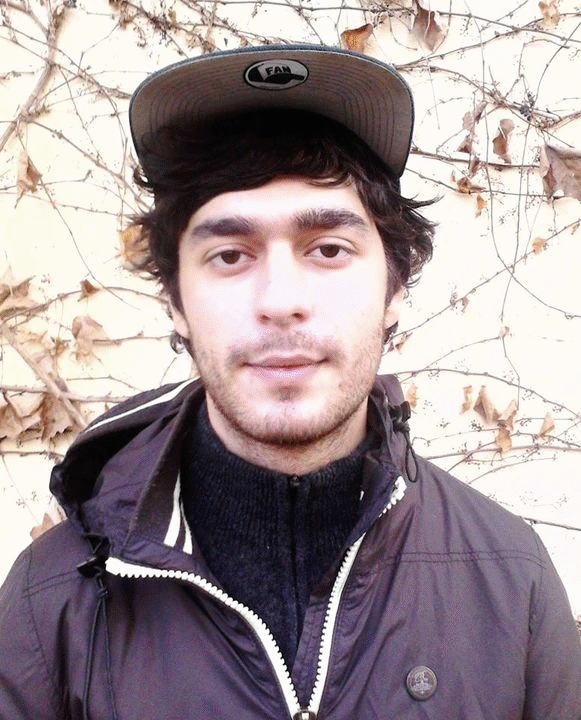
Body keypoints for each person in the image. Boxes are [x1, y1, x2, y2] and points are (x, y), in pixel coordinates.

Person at [0, 44, 579, 720]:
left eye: (328, 249)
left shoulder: (511, 581)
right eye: (229, 255)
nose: (279, 301)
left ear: (394, 289)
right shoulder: (50, 608)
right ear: (175, 302)